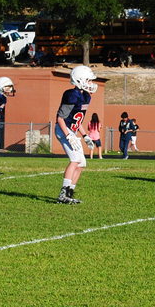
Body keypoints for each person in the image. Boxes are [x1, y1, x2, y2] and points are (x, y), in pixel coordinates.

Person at [55, 65, 96, 204]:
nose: (91, 83)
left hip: (71, 130)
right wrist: (68, 135)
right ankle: (63, 193)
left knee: (82, 163)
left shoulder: (85, 96)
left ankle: (70, 192)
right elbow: (60, 118)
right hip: (63, 130)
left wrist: (85, 136)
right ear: (80, 80)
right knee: (75, 160)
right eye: (89, 80)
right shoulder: (71, 95)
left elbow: (77, 120)